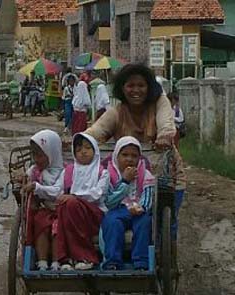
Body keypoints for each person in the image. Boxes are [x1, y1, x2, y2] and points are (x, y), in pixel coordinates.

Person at [85, 63, 186, 242]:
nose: (136, 90)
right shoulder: (117, 112)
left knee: (165, 221)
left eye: (141, 85)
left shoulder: (160, 102)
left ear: (149, 87)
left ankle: (168, 263)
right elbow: (96, 132)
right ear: (122, 88)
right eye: (130, 85)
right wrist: (80, 140)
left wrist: (163, 137)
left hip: (164, 174)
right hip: (129, 178)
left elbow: (167, 125)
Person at [54, 133, 109, 270]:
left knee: (70, 203)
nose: (83, 152)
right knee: (64, 205)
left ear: (95, 150)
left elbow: (96, 194)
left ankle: (85, 256)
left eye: (87, 148)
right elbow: (56, 189)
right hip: (73, 212)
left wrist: (74, 196)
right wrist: (37, 187)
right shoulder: (69, 171)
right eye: (78, 150)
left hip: (95, 216)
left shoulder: (102, 172)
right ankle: (66, 259)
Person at [101, 137, 155, 270]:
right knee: (112, 222)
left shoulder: (145, 174)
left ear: (139, 158)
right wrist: (124, 181)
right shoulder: (109, 174)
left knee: (144, 223)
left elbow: (148, 195)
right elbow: (109, 201)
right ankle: (113, 260)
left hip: (138, 210)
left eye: (134, 156)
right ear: (116, 156)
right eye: (124, 155)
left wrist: (141, 208)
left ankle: (141, 262)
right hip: (117, 210)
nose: (129, 159)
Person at [23, 130, 64, 271]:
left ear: (52, 154)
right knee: (40, 223)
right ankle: (41, 261)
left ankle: (56, 261)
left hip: (60, 210)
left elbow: (57, 192)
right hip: (43, 209)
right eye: (34, 155)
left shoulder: (63, 172)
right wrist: (21, 179)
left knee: (57, 228)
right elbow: (25, 176)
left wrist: (37, 187)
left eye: (40, 155)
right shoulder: (34, 170)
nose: (36, 159)